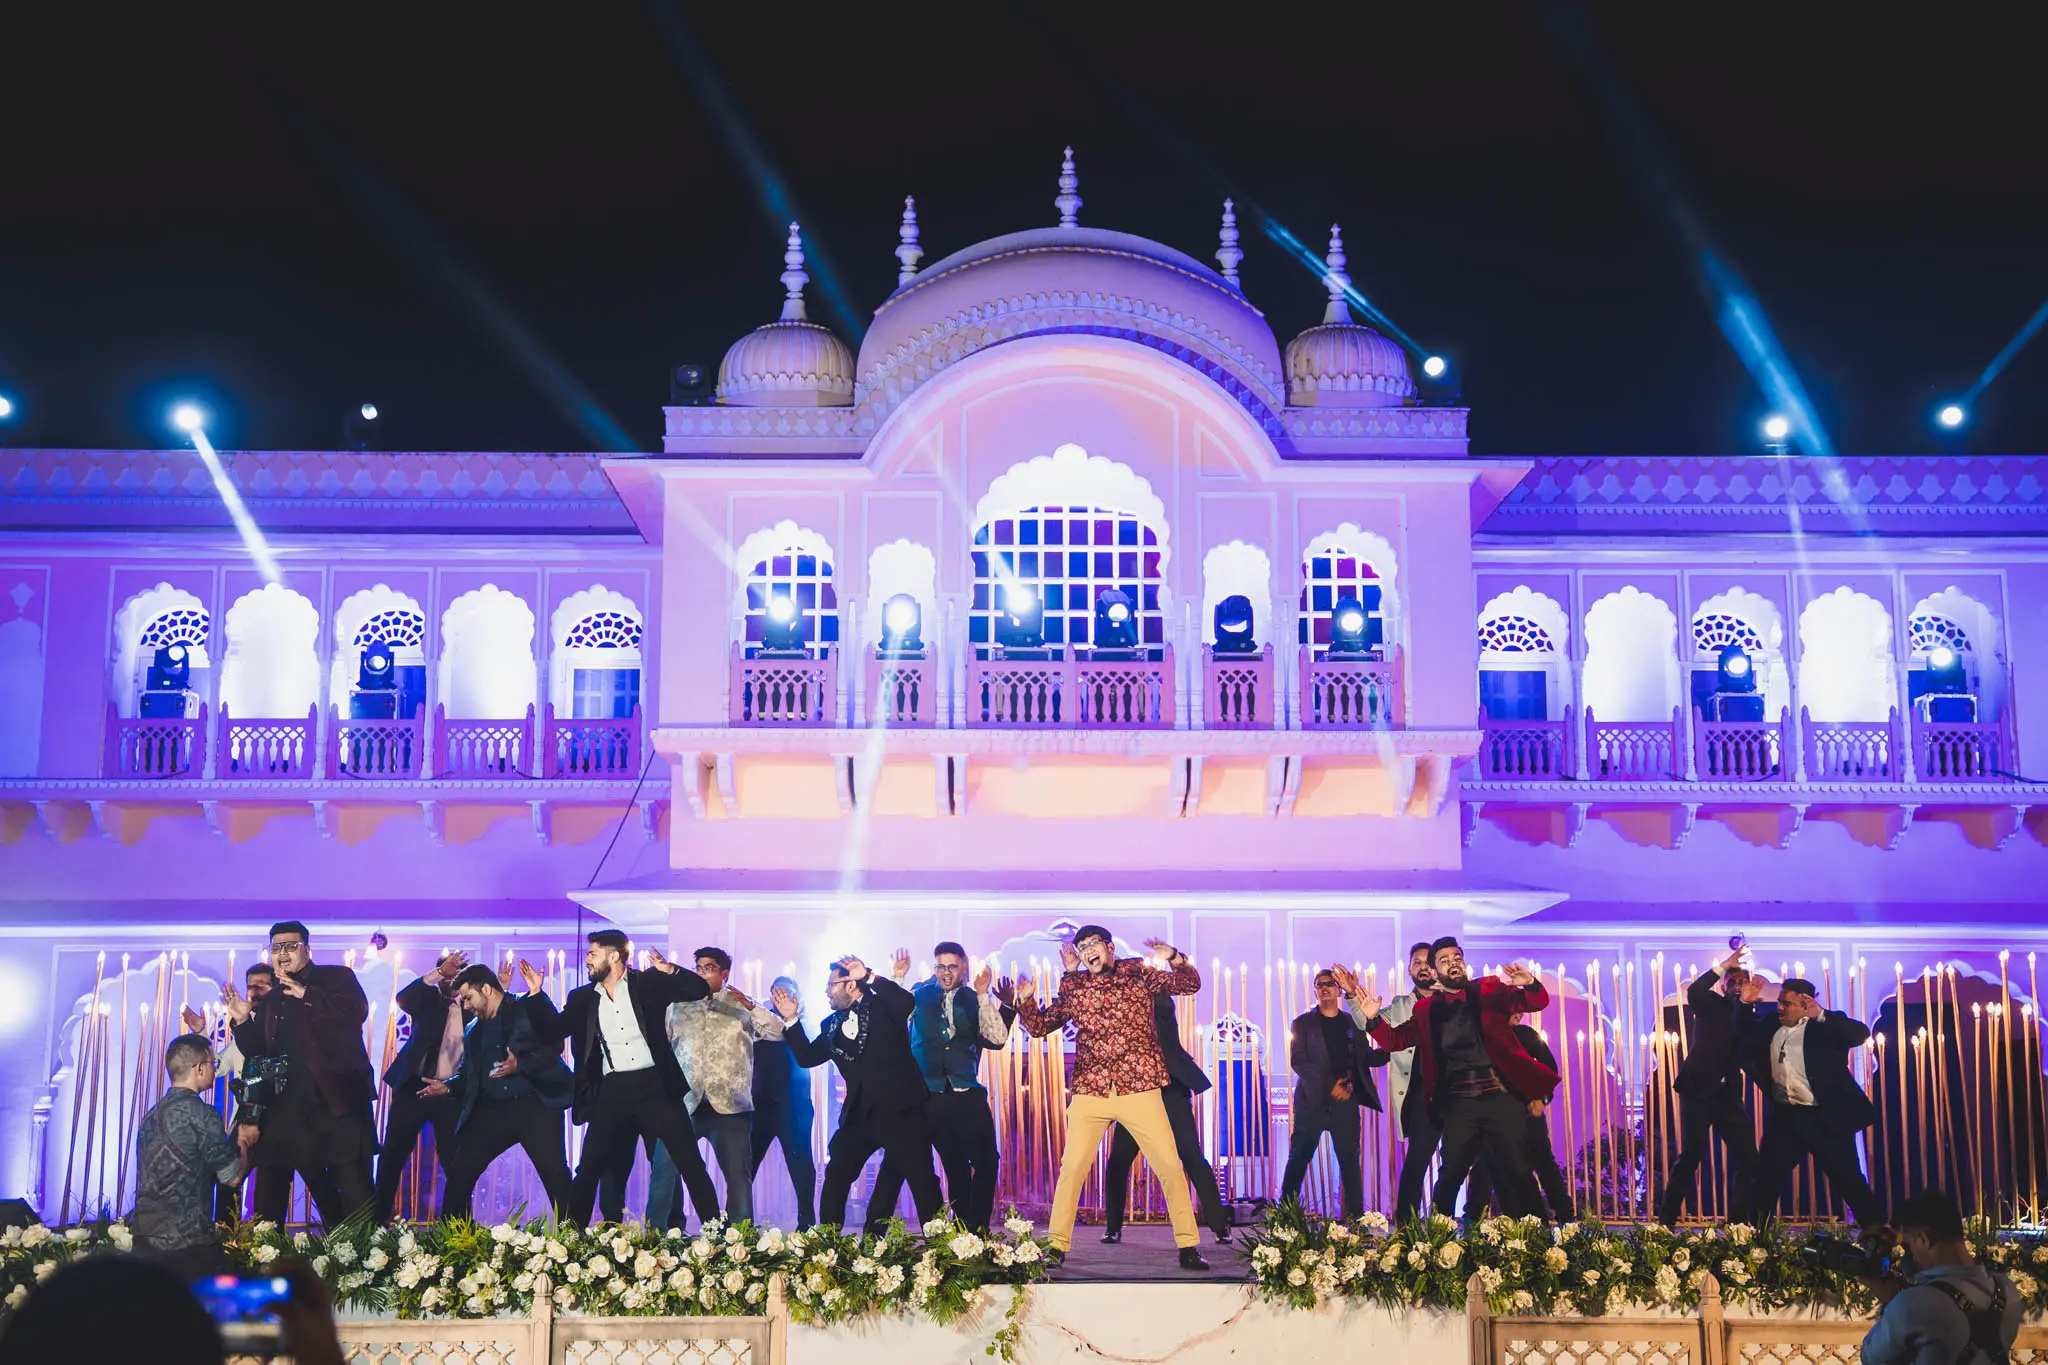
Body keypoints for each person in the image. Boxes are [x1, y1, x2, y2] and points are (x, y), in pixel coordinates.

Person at [1015, 925, 1209, 1271]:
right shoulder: (1073, 985)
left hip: (1139, 1085)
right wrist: (1027, 1001)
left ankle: (1188, 1245)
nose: (1088, 950)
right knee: (1072, 1168)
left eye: (1094, 944)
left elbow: (1189, 984)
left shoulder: (1137, 971)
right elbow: (1040, 1027)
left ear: (1109, 947)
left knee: (1168, 1166)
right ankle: (1056, 1246)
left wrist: (1174, 957)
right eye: (1082, 947)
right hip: (1091, 1089)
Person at [1354, 937, 1555, 1218]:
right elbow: (1394, 1040)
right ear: (1435, 971)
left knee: (1516, 1169)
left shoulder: (1490, 990)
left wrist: (1530, 983)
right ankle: (1440, 1232)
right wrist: (1373, 1020)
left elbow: (1536, 1001)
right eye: (1444, 960)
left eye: (1457, 958)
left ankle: (1532, 1233)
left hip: (1500, 1098)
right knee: (1451, 1173)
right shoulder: (1426, 1010)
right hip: (1459, 1104)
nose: (1453, 964)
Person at [559, 930, 723, 1228]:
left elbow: (698, 989)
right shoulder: (583, 997)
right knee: (589, 1168)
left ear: (613, 956)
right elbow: (552, 1029)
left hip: (655, 1086)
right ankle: (572, 1236)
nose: (587, 960)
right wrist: (535, 995)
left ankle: (716, 1233)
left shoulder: (647, 983)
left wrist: (670, 970)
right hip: (612, 1090)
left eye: (592, 954)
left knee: (689, 1162)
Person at [774, 953, 944, 1230]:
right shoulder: (830, 1025)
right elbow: (806, 1057)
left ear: (851, 985)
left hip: (903, 1111)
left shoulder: (884, 1007)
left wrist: (869, 975)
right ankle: (828, 1240)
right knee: (837, 1171)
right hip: (861, 1115)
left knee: (921, 1179)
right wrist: (791, 1019)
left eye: (831, 985)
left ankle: (940, 1242)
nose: (826, 991)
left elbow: (905, 1002)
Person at [226, 920, 377, 1225]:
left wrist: (307, 994)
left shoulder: (336, 977)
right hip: (287, 1111)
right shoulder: (272, 999)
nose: (282, 954)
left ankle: (361, 1252)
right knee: (268, 1201)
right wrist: (242, 1022)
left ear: (307, 949)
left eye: (290, 946)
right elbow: (260, 1055)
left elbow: (355, 1013)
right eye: (276, 947)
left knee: (355, 1198)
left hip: (336, 1109)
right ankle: (268, 1249)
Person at [866, 942, 1015, 1232]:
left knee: (985, 1161)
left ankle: (974, 1230)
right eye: (941, 967)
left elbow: (997, 1038)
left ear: (963, 968)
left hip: (966, 1094)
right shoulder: (918, 994)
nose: (946, 973)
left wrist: (983, 995)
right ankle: (894, 1232)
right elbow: (888, 1017)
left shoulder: (974, 997)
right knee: (913, 1163)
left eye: (952, 967)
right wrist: (896, 979)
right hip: (926, 1096)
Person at [639, 947, 784, 1228]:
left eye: (709, 968)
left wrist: (752, 1007)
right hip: (684, 1103)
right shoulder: (678, 1005)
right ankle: (656, 1236)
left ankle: (739, 1240)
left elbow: (776, 1032)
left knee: (738, 1178)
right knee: (663, 1170)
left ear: (724, 973)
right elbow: (657, 1043)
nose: (702, 973)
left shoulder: (742, 1003)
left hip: (730, 1105)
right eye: (699, 967)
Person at [1100, 945, 1233, 1245]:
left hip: (1170, 1087)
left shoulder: (1155, 990)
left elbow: (1187, 982)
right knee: (1118, 1160)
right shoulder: (1116, 1005)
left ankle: (1219, 1225)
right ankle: (1113, 1226)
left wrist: (1175, 957)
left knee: (1191, 1156)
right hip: (1136, 1092)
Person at [419, 963, 573, 1220]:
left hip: (535, 1106)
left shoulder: (525, 1006)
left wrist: (520, 1065)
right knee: (460, 1172)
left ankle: (575, 1237)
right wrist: (448, 1086)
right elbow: (468, 1075)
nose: (466, 1006)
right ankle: (454, 1237)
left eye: (468, 998)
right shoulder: (473, 1030)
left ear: (487, 989)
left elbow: (553, 1045)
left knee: (556, 1175)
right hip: (492, 1110)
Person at [1738, 975, 1885, 1227]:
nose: (1780, 1007)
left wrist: (1821, 1015)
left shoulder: (1825, 1024)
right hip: (1786, 1117)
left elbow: (1859, 1034)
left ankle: (1878, 1234)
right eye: (1780, 1002)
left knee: (1848, 1178)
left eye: (1786, 1003)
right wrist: (1744, 1004)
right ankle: (1757, 1237)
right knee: (1766, 1179)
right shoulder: (1773, 1023)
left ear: (1805, 1005)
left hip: (1822, 1117)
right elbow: (1744, 1036)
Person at [1655, 947, 1758, 1226]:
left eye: (1743, 981)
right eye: (1732, 981)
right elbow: (1695, 990)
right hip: (1698, 1090)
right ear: (1723, 986)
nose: (1737, 986)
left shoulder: (1748, 1016)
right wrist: (1724, 965)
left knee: (1749, 1158)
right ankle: (1666, 1221)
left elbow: (1742, 1036)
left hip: (1727, 1095)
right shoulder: (1710, 1003)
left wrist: (1746, 1005)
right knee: (1690, 1155)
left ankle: (1738, 1222)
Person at [1862, 1187, 2020, 1365]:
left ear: (1924, 1239)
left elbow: (1871, 1358)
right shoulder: (2007, 1290)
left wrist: (1891, 1301)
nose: (1912, 1257)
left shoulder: (1915, 1303)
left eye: (1908, 1246)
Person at [132, 1032, 246, 1279]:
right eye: (214, 1063)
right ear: (200, 1068)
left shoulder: (150, 1115)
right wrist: (246, 1141)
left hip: (144, 1239)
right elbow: (232, 1177)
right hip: (187, 1245)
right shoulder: (203, 1115)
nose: (215, 1070)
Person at [1280, 967, 1389, 1219]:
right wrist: (1332, 1085)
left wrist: (1393, 1048)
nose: (1325, 988)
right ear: (1315, 991)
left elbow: (1365, 1057)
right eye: (1320, 984)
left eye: (1330, 983)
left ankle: (1356, 1219)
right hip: (1312, 1103)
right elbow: (1299, 1061)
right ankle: (1284, 1217)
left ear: (1339, 990)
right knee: (1299, 1158)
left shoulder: (1352, 1023)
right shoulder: (1302, 1024)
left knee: (1349, 1161)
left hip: (1345, 1103)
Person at [1343, 943, 1440, 1220]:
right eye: (1417, 962)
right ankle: (1407, 1227)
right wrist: (1352, 995)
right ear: (1409, 969)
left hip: (1457, 1092)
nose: (1423, 967)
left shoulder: (1453, 1001)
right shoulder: (1401, 1007)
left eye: (1428, 962)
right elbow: (1365, 1022)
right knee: (1417, 1161)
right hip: (1420, 1093)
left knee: (1462, 1160)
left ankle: (1449, 1222)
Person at [374, 950, 470, 1221]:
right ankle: (376, 1222)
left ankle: (459, 1227)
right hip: (414, 1087)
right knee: (392, 1155)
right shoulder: (427, 1000)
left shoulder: (471, 1008)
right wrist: (439, 973)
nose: (452, 981)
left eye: (457, 976)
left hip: (451, 1092)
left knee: (455, 1161)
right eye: (448, 975)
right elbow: (403, 998)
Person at [1466, 1011, 1577, 1221]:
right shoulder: (1480, 1037)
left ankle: (1565, 1218)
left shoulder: (1526, 1035)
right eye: (1513, 1007)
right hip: (1493, 1115)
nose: (1519, 1013)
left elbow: (1550, 1071)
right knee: (1485, 1165)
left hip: (1528, 1113)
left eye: (1521, 1008)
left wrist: (1542, 1098)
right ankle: (1472, 1219)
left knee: (1543, 1162)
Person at [750, 974, 818, 1228]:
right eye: (776, 994)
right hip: (761, 1104)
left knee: (801, 1164)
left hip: (795, 1106)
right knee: (746, 1165)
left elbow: (804, 1042)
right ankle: (736, 1223)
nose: (781, 999)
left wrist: (791, 1016)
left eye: (786, 993)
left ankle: (806, 1224)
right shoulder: (759, 1021)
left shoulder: (805, 1022)